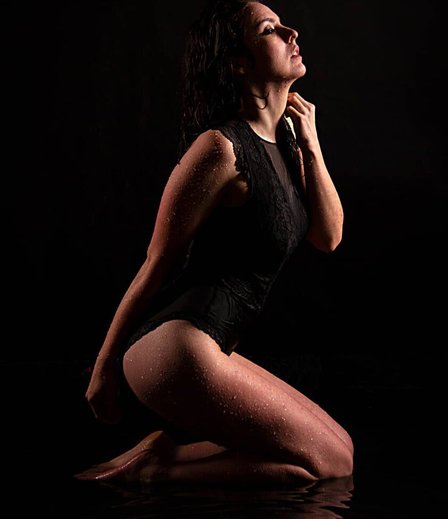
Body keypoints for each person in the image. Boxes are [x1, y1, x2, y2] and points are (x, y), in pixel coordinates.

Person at [76, 0, 353, 485]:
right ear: (238, 63)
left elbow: (328, 237)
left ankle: (163, 457)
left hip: (212, 348)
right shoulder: (221, 148)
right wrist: (104, 369)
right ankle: (153, 473)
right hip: (175, 347)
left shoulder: (288, 143)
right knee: (329, 465)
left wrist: (311, 142)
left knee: (341, 452)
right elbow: (157, 262)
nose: (291, 32)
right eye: (269, 29)